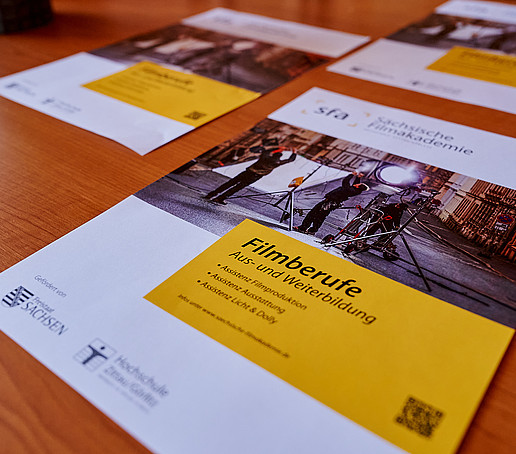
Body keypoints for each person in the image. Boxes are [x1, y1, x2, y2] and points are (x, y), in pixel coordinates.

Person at [204, 145, 297, 204]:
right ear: (279, 157)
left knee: (230, 183)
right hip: (256, 176)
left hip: (248, 171)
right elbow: (290, 160)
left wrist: (277, 149)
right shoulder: (277, 162)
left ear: (273, 154)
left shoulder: (265, 157)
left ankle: (211, 194)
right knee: (238, 187)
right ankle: (220, 198)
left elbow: (265, 152)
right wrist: (294, 152)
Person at [295, 172, 369, 234]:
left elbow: (345, 182)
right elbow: (356, 184)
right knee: (320, 217)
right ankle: (312, 230)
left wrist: (351, 175)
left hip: (329, 203)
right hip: (331, 203)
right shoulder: (355, 190)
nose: (356, 184)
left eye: (358, 184)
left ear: (358, 187)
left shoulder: (350, 190)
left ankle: (303, 228)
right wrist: (358, 177)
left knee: (314, 214)